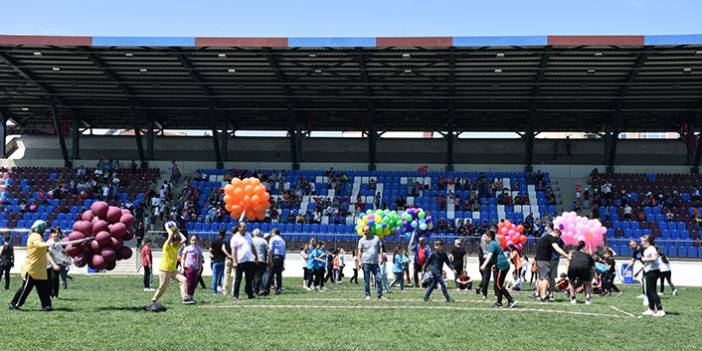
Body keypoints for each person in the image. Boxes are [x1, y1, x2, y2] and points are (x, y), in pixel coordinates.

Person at [9, 220, 87, 311]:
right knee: (25, 288)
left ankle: (46, 305)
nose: (44, 229)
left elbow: (45, 249)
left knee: (44, 289)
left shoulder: (39, 237)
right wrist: (48, 243)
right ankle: (14, 304)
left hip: (40, 269)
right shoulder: (35, 236)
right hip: (32, 268)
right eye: (43, 227)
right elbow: (39, 245)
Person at [149, 222, 192, 306]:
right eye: (177, 241)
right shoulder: (167, 245)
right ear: (173, 240)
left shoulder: (176, 246)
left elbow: (184, 239)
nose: (178, 243)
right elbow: (171, 235)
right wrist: (168, 229)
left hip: (172, 270)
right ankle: (153, 300)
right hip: (165, 269)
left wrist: (177, 230)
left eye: (178, 241)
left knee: (183, 280)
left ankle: (185, 298)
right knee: (163, 287)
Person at [480, 231, 516, 308]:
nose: (484, 238)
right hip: (500, 265)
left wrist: (484, 265)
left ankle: (511, 300)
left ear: (489, 238)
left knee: (499, 285)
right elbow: (497, 255)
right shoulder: (493, 244)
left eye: (485, 237)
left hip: (502, 266)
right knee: (498, 284)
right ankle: (499, 302)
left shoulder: (491, 244)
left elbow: (490, 256)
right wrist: (494, 264)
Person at [535, 229, 570, 302]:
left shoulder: (543, 238)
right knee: (546, 278)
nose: (557, 239)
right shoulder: (550, 238)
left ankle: (541, 294)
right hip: (544, 260)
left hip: (538, 259)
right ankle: (543, 296)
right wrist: (567, 255)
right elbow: (557, 248)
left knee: (541, 278)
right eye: (557, 237)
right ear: (556, 234)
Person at [231, 223, 258, 300]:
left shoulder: (248, 235)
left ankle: (250, 294)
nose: (245, 228)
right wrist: (234, 261)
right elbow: (233, 251)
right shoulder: (235, 238)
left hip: (249, 260)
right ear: (239, 228)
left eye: (245, 227)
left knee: (249, 279)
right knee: (238, 279)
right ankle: (235, 295)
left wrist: (256, 257)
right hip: (240, 261)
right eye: (243, 227)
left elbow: (252, 247)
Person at [640, 235, 665, 317]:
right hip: (649, 271)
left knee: (652, 291)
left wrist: (644, 259)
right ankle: (651, 309)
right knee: (648, 292)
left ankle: (660, 310)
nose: (641, 243)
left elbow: (654, 258)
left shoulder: (651, 248)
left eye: (642, 241)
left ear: (647, 241)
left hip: (653, 272)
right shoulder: (647, 249)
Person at [358, 226, 384, 300]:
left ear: (370, 231)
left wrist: (381, 257)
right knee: (367, 280)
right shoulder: (361, 240)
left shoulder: (376, 238)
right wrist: (360, 261)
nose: (365, 232)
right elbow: (359, 251)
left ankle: (379, 295)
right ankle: (367, 295)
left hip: (375, 263)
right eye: (364, 231)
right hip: (365, 263)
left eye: (366, 230)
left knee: (379, 278)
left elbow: (381, 247)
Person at [567, 241, 595, 305]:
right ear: (584, 248)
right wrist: (591, 278)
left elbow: (568, 261)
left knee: (571, 282)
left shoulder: (572, 253)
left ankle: (573, 299)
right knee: (588, 283)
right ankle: (588, 300)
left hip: (573, 267)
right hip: (585, 268)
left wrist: (568, 270)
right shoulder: (588, 256)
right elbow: (593, 268)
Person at [181, 235, 204, 303]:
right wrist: (182, 267)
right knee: (189, 283)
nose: (194, 241)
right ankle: (186, 296)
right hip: (188, 268)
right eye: (192, 240)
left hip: (196, 268)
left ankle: (191, 296)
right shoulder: (187, 249)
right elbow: (183, 258)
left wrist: (200, 268)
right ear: (190, 241)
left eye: (195, 240)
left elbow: (200, 260)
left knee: (194, 283)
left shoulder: (199, 249)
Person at [264, 228, 286, 295]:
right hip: (281, 257)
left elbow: (270, 250)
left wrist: (269, 259)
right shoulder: (282, 240)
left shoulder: (272, 239)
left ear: (274, 233)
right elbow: (284, 252)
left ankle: (266, 289)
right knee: (279, 274)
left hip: (274, 257)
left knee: (270, 273)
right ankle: (278, 289)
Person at [251, 229, 270, 295]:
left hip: (252, 260)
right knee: (259, 276)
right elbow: (269, 251)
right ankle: (257, 290)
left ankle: (253, 289)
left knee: (252, 276)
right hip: (261, 260)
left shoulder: (250, 240)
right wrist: (269, 260)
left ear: (253, 234)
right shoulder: (263, 240)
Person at [208, 230, 227, 295]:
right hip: (222, 260)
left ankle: (214, 291)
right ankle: (222, 289)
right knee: (222, 276)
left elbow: (210, 250)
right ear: (224, 234)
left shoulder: (214, 241)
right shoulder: (224, 241)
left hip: (215, 261)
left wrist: (211, 255)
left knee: (215, 276)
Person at [475, 234, 491, 299]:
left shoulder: (480, 254)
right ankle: (484, 293)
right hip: (485, 267)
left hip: (481, 267)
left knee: (484, 279)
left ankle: (479, 287)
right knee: (485, 279)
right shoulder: (485, 253)